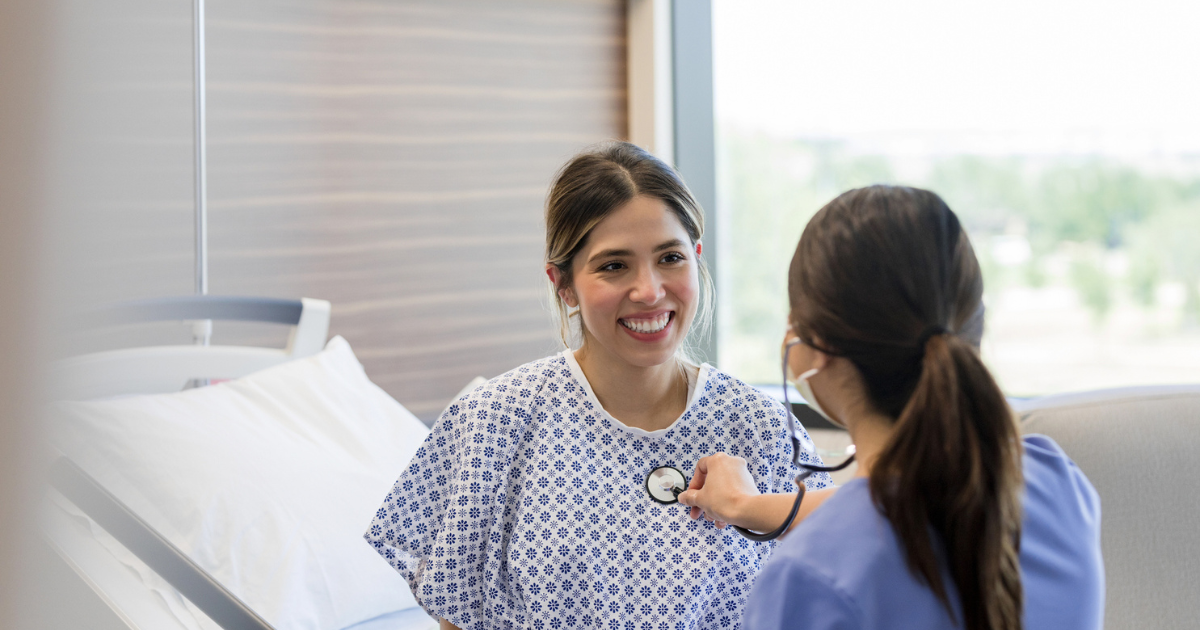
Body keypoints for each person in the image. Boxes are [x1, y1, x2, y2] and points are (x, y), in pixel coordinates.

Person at [364, 141, 832, 630]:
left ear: (696, 258)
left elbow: (839, 575)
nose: (649, 291)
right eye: (613, 266)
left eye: (670, 257)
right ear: (563, 285)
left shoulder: (760, 426)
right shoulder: (494, 423)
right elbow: (458, 617)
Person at [678, 185, 1104, 630]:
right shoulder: (1055, 482)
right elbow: (901, 506)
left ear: (814, 345)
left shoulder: (809, 577)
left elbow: (874, 523)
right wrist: (748, 505)